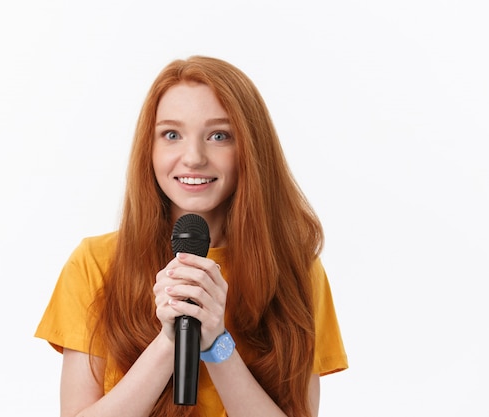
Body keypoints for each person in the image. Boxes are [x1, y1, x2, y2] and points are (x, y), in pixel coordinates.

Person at [35, 56, 348, 417]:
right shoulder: (96, 263)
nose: (194, 157)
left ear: (250, 147)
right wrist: (169, 341)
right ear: (149, 149)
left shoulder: (296, 270)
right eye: (172, 135)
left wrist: (216, 343)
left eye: (219, 136)